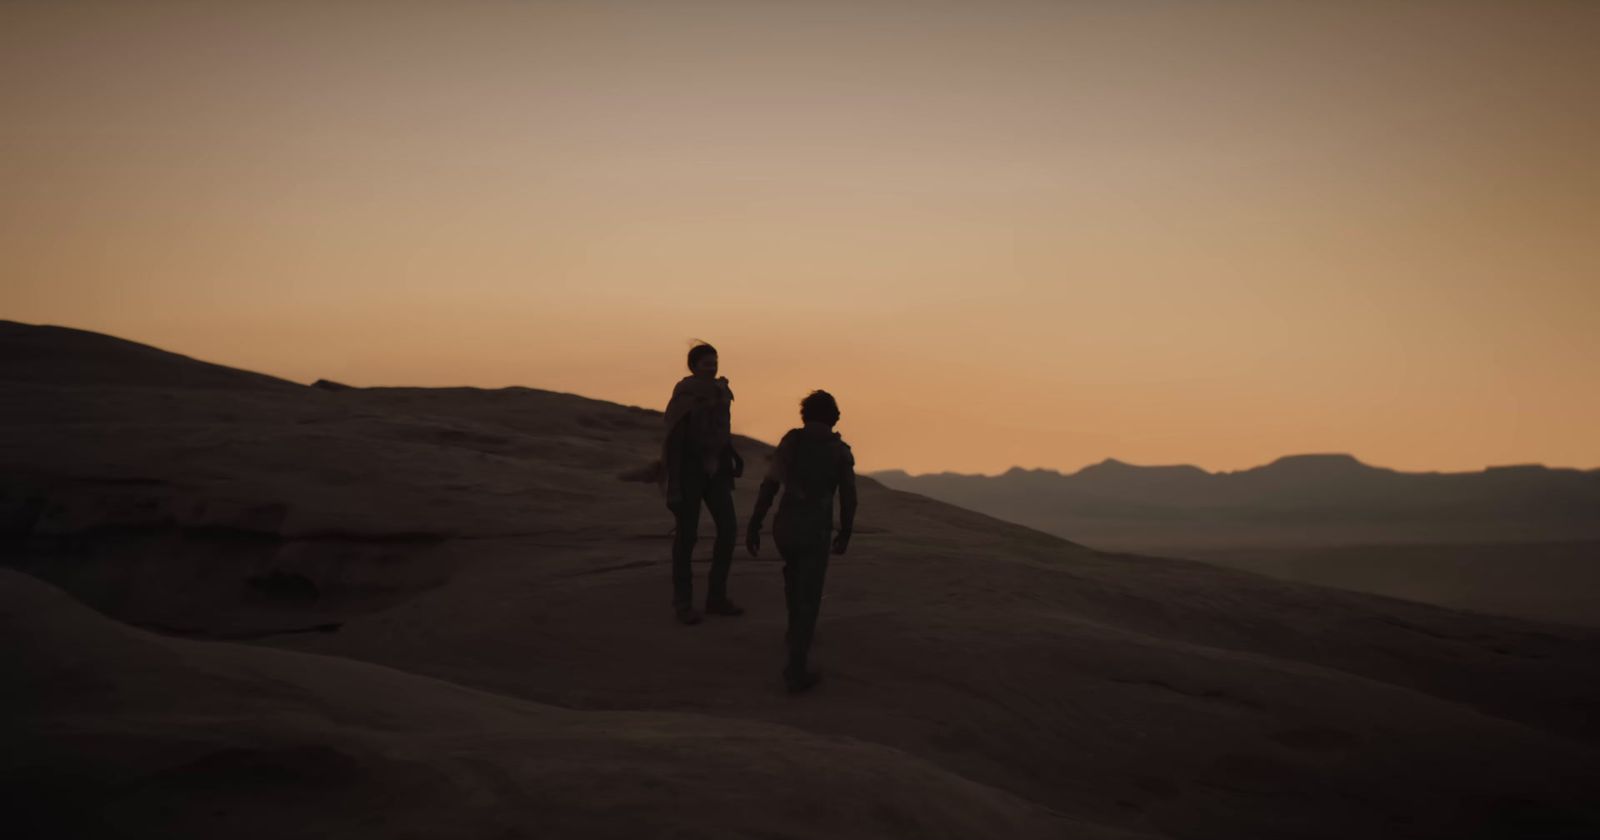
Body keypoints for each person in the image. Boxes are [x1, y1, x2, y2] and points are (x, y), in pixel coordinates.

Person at [745, 390, 857, 694]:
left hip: (786, 526)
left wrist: (755, 524)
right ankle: (796, 668)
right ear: (833, 417)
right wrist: (845, 532)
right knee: (810, 594)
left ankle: (794, 634)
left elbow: (770, 484)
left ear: (805, 416)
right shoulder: (838, 451)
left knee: (793, 579)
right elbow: (848, 496)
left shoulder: (791, 442)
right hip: (814, 529)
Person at [660, 342, 745, 625]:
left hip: (717, 470)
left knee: (729, 529)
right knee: (687, 536)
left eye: (715, 361)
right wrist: (674, 478)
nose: (713, 366)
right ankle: (682, 603)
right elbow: (675, 436)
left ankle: (716, 597)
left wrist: (729, 454)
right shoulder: (686, 394)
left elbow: (720, 428)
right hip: (690, 471)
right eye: (707, 362)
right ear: (694, 366)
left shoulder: (721, 391)